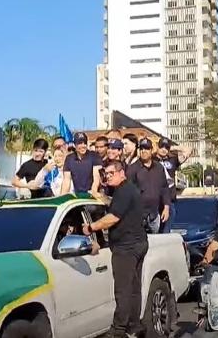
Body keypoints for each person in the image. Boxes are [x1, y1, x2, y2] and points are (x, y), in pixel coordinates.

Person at [82, 160, 148, 338]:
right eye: (106, 174)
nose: (108, 176)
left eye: (111, 173)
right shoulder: (127, 190)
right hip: (137, 243)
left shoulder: (124, 191)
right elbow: (116, 206)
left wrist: (91, 227)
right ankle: (134, 325)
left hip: (126, 246)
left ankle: (119, 329)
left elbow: (113, 217)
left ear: (122, 173)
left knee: (123, 289)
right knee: (134, 287)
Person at [126, 138, 171, 234]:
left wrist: (166, 208)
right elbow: (127, 191)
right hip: (137, 216)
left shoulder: (159, 168)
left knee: (155, 244)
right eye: (141, 148)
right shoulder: (132, 169)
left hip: (154, 214)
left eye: (146, 148)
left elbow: (165, 188)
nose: (143, 151)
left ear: (151, 150)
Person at [155, 137, 192, 233]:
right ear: (157, 147)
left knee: (166, 231)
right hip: (155, 201)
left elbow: (188, 151)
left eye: (166, 147)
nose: (164, 149)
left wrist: (172, 147)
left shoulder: (172, 160)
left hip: (170, 200)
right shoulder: (151, 159)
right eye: (161, 146)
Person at [61, 132, 103, 197]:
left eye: (85, 143)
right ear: (74, 145)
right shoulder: (69, 158)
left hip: (92, 194)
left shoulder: (94, 156)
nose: (83, 145)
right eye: (80, 143)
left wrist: (93, 192)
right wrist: (62, 197)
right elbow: (66, 181)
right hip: (78, 195)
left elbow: (96, 178)